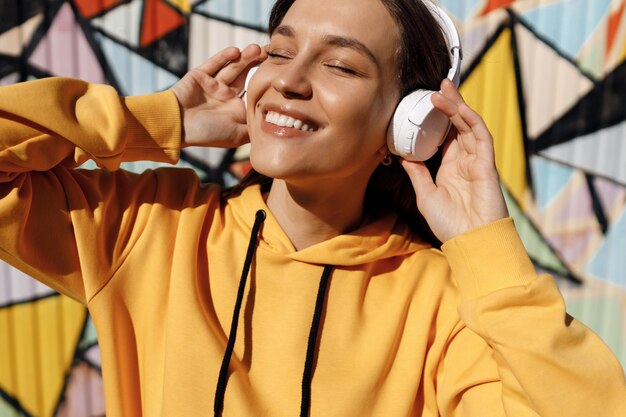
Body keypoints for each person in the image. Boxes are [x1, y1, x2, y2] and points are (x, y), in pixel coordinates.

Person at [0, 0, 625, 416]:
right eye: (279, 52)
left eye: (340, 65)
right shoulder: (152, 230)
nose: (288, 80)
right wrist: (163, 118)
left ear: (408, 128)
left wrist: (488, 246)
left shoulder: (441, 305)